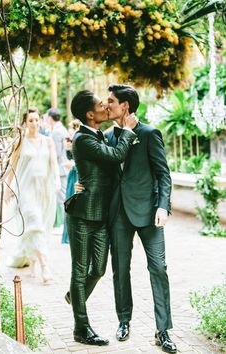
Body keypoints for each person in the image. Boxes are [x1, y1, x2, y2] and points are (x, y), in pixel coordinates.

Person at [105, 84, 177, 353]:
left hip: (149, 213)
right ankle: (124, 320)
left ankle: (164, 330)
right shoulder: (110, 137)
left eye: (111, 101)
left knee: (158, 268)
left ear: (125, 105)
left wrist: (162, 206)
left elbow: (163, 174)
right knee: (120, 269)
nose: (106, 104)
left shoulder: (148, 134)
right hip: (119, 214)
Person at [64, 90, 137, 346]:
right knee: (81, 270)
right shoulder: (83, 139)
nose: (106, 107)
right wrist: (128, 131)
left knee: (99, 269)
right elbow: (116, 156)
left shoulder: (98, 135)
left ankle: (76, 295)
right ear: (89, 114)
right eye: (100, 105)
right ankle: (81, 328)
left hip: (103, 214)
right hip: (83, 215)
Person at [4, 108, 60, 283]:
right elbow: (12, 166)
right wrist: (8, 188)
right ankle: (45, 267)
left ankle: (33, 262)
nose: (34, 124)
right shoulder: (20, 142)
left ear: (41, 121)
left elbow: (54, 163)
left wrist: (57, 181)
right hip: (26, 190)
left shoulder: (48, 141)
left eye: (37, 120)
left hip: (44, 191)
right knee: (35, 223)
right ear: (25, 123)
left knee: (39, 227)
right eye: (31, 121)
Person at [47, 108, 68, 227]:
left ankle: (62, 225)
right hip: (64, 167)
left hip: (60, 169)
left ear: (50, 118)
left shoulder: (56, 132)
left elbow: (56, 153)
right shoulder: (62, 129)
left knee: (61, 199)